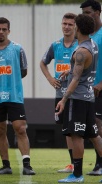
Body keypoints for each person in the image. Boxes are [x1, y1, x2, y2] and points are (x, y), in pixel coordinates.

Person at [0, 17, 35, 176]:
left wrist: (11, 82)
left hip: (14, 96)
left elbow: (23, 71)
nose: (1, 32)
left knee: (20, 128)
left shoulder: (18, 49)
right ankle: (6, 165)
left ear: (9, 31)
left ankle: (27, 164)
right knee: (0, 130)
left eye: (4, 29)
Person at [56, 14, 102, 183]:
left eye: (74, 26)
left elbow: (76, 79)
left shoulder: (81, 51)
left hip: (78, 99)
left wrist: (63, 99)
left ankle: (77, 175)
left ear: (78, 28)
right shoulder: (93, 45)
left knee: (76, 136)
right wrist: (71, 70)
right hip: (89, 97)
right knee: (94, 136)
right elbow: (83, 70)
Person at [40, 13, 77, 173]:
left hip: (78, 95)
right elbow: (43, 63)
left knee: (81, 130)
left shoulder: (81, 45)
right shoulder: (55, 45)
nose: (67, 27)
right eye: (64, 24)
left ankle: (93, 164)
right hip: (60, 95)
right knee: (67, 130)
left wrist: (72, 70)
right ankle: (73, 164)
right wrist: (50, 79)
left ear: (75, 26)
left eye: (70, 24)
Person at [80, 0, 102, 176]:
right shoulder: (87, 36)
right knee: (93, 126)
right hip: (89, 89)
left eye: (87, 13)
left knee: (98, 126)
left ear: (98, 12)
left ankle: (100, 164)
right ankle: (98, 164)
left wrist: (101, 83)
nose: (85, 16)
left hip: (99, 88)